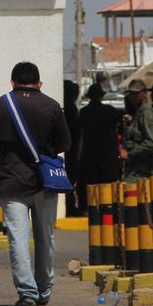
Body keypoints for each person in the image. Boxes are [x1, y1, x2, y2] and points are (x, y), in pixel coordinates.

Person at [0, 62, 71, 306]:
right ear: (39, 84)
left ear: (12, 82)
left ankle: (27, 292)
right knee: (45, 238)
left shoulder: (0, 104)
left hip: (12, 182)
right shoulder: (52, 106)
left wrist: (6, 147)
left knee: (18, 240)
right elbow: (65, 144)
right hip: (45, 183)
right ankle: (44, 290)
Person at [77, 84, 122, 191]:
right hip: (108, 155)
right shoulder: (110, 111)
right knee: (108, 187)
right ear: (101, 96)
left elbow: (79, 133)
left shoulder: (84, 112)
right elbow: (123, 123)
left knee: (93, 186)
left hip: (90, 154)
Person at [121, 79, 153, 183]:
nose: (132, 96)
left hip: (141, 171)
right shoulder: (137, 113)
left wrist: (130, 153)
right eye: (131, 93)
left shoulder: (146, 113)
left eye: (136, 93)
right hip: (133, 169)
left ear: (144, 94)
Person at [63, 80, 82, 216]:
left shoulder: (67, 107)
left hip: (70, 149)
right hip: (70, 150)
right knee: (69, 178)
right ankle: (70, 206)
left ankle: (70, 205)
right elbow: (75, 131)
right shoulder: (70, 109)